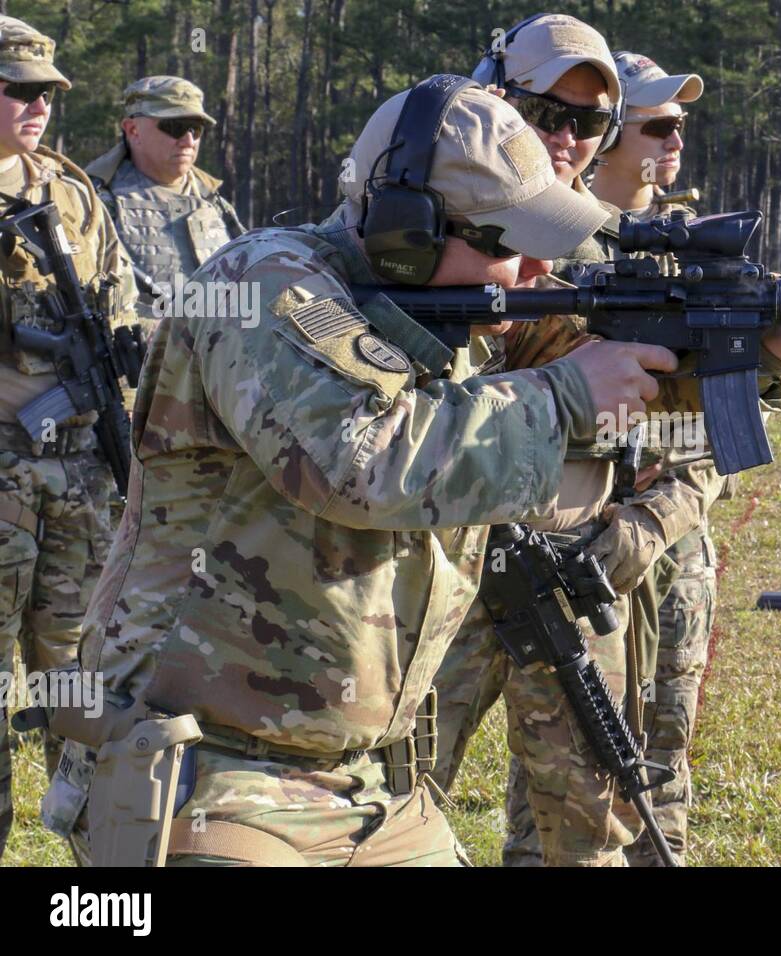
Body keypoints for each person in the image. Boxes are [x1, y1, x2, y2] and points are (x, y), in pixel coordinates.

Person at [60, 77, 676, 866]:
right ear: (401, 230)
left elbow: (644, 367)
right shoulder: (262, 286)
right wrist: (563, 397)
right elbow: (362, 461)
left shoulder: (447, 305)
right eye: (498, 241)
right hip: (205, 774)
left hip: (368, 788)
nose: (525, 272)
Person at [435, 15, 781, 867]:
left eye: (591, 123)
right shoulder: (436, 221)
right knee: (392, 791)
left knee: (601, 812)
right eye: (550, 116)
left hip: (586, 565)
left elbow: (676, 407)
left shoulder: (651, 248)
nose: (570, 139)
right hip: (451, 554)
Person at [0, 15, 137, 860]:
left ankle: (92, 852)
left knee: (76, 671)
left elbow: (117, 295)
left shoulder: (73, 192)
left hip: (79, 471)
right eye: (19, 89)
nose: (38, 106)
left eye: (47, 92)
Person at [591, 50, 716, 866]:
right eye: (657, 125)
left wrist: (664, 518)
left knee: (664, 763)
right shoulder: (549, 248)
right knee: (576, 787)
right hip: (580, 551)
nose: (676, 141)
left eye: (682, 125)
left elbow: (721, 430)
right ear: (607, 135)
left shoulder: (696, 249)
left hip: (673, 543)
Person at [85, 76, 243, 339]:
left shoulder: (213, 202)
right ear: (133, 130)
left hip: (218, 364)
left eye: (196, 129)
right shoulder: (97, 202)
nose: (189, 140)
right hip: (141, 369)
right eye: (176, 127)